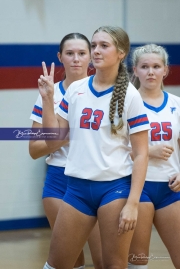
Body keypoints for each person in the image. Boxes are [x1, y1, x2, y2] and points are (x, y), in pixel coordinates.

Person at [39, 26, 150, 269]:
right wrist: (48, 99)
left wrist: (132, 203)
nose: (96, 51)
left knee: (112, 264)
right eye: (94, 45)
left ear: (121, 53)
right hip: (76, 189)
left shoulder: (131, 96)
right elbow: (53, 141)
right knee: (55, 264)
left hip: (115, 190)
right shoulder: (76, 89)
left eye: (104, 46)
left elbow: (141, 153)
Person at [29, 33, 102, 269]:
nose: (76, 59)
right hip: (58, 180)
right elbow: (34, 149)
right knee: (69, 260)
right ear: (60, 57)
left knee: (105, 260)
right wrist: (67, 136)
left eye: (82, 53)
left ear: (91, 56)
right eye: (69, 53)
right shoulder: (47, 94)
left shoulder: (105, 92)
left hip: (96, 179)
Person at [128, 44, 180, 269]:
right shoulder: (127, 104)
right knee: (139, 260)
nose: (151, 72)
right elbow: (113, 149)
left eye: (156, 66)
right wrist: (150, 151)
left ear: (165, 70)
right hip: (139, 188)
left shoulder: (177, 104)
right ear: (135, 70)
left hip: (170, 188)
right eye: (145, 66)